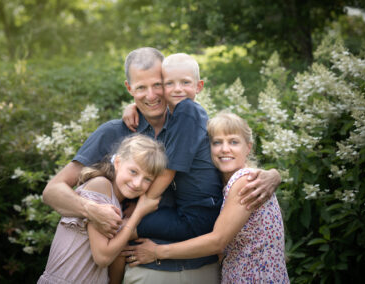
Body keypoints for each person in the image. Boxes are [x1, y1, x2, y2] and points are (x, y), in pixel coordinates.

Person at [42, 47, 281, 284]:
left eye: (157, 85)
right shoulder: (115, 132)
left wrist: (271, 175)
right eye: (141, 88)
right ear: (129, 89)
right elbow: (52, 191)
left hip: (204, 268)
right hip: (144, 271)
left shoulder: (192, 123)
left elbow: (228, 157)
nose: (152, 95)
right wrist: (91, 209)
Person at [126, 112, 290, 283]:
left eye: (233, 142)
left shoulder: (246, 181)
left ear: (248, 148)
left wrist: (157, 252)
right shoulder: (226, 183)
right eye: (217, 142)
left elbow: (217, 241)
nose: (225, 149)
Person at [37, 134, 167, 284]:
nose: (138, 183)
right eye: (133, 171)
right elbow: (102, 257)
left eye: (147, 179)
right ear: (118, 162)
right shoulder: (100, 186)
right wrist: (138, 213)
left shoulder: (118, 203)